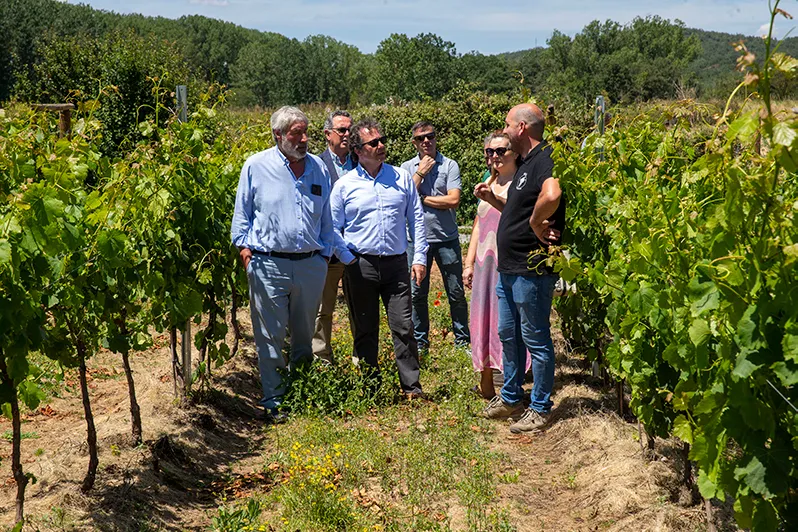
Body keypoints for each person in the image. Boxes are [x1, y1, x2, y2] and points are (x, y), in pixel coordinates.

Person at [231, 106, 355, 424]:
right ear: (278, 136)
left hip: (310, 266)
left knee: (304, 336)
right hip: (268, 264)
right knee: (269, 337)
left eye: (305, 132)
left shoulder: (317, 168)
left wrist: (325, 254)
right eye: (295, 133)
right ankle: (274, 402)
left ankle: (300, 394)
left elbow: (327, 218)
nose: (303, 139)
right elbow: (241, 218)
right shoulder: (256, 166)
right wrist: (247, 254)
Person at [475, 103, 565, 434]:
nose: (506, 128)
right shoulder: (526, 163)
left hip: (531, 268)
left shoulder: (545, 158)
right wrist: (495, 200)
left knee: (535, 338)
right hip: (509, 267)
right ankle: (511, 396)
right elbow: (515, 210)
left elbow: (552, 194)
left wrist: (536, 220)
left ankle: (540, 407)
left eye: (508, 124)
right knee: (509, 334)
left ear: (522, 128)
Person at [331, 118, 428, 398]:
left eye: (381, 139)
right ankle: (370, 388)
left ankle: (411, 388)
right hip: (360, 265)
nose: (381, 145)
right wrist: (348, 258)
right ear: (359, 151)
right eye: (374, 142)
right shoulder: (345, 185)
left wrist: (419, 257)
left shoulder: (400, 178)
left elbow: (416, 221)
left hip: (396, 264)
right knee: (364, 327)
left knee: (403, 326)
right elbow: (333, 227)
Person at [463, 131, 529, 399]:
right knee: (482, 320)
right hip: (483, 264)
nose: (494, 157)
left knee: (508, 323)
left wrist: (491, 198)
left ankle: (512, 384)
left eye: (500, 151)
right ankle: (486, 382)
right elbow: (479, 225)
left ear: (515, 153)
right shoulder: (487, 181)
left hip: (508, 262)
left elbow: (514, 215)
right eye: (490, 152)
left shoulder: (520, 184)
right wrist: (468, 263)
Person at [400, 121, 470, 351]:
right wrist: (421, 172)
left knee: (456, 292)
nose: (426, 141)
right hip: (416, 241)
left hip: (446, 238)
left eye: (430, 136)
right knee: (417, 294)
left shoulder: (449, 165)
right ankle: (420, 343)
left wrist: (421, 199)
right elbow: (402, 198)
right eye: (421, 138)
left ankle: (462, 341)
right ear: (414, 143)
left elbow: (453, 200)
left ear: (436, 137)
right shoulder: (407, 167)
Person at [313, 110, 358, 363]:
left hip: (356, 249)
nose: (346, 135)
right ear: (327, 134)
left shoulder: (360, 160)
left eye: (349, 130)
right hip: (327, 249)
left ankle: (360, 360)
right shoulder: (316, 164)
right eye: (341, 130)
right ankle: (322, 359)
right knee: (323, 309)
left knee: (359, 307)